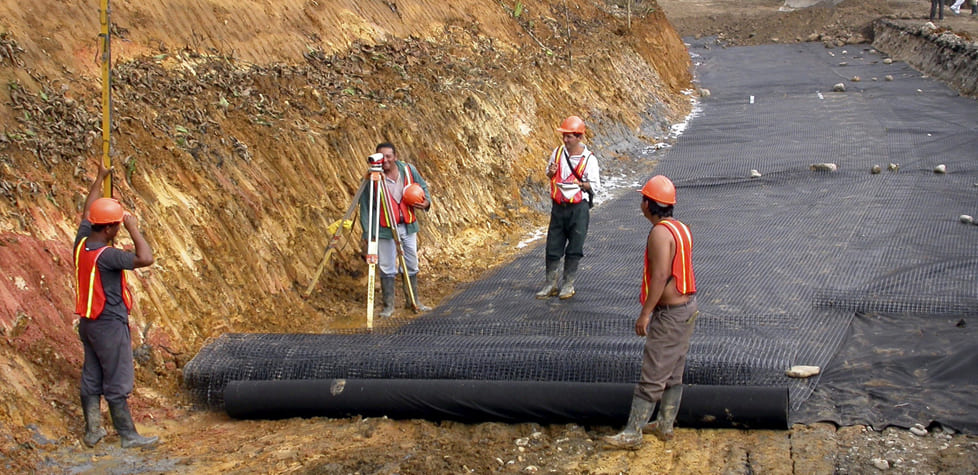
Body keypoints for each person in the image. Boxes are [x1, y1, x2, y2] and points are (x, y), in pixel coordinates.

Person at [603, 175, 697, 450]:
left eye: (642, 199)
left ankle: (633, 433)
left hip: (671, 314)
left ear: (648, 204)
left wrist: (645, 314)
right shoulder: (681, 228)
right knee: (674, 370)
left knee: (654, 372)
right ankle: (665, 424)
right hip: (688, 308)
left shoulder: (660, 233)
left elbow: (659, 276)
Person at [74, 160, 158, 449]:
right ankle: (128, 435)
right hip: (109, 325)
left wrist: (99, 179)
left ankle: (92, 431)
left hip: (88, 324)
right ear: (110, 229)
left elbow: (88, 210)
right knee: (117, 381)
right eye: (117, 226)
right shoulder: (108, 256)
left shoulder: (82, 243)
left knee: (92, 376)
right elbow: (145, 258)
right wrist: (133, 227)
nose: (118, 230)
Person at [359, 142, 432, 318]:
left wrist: (426, 202)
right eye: (381, 157)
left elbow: (423, 187)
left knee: (411, 264)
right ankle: (388, 306)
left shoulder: (408, 170)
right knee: (387, 267)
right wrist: (368, 232)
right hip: (384, 229)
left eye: (388, 157)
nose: (385, 161)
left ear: (395, 157)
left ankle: (413, 301)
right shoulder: (372, 178)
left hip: (407, 226)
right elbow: (365, 206)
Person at [535, 115, 601, 300]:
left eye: (569, 136)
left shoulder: (589, 159)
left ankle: (568, 284)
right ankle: (550, 284)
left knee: (575, 246)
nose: (565, 139)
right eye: (564, 136)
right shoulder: (557, 153)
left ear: (579, 137)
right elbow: (549, 174)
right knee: (553, 245)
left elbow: (594, 185)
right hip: (559, 207)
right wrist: (551, 172)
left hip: (578, 208)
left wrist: (580, 185)